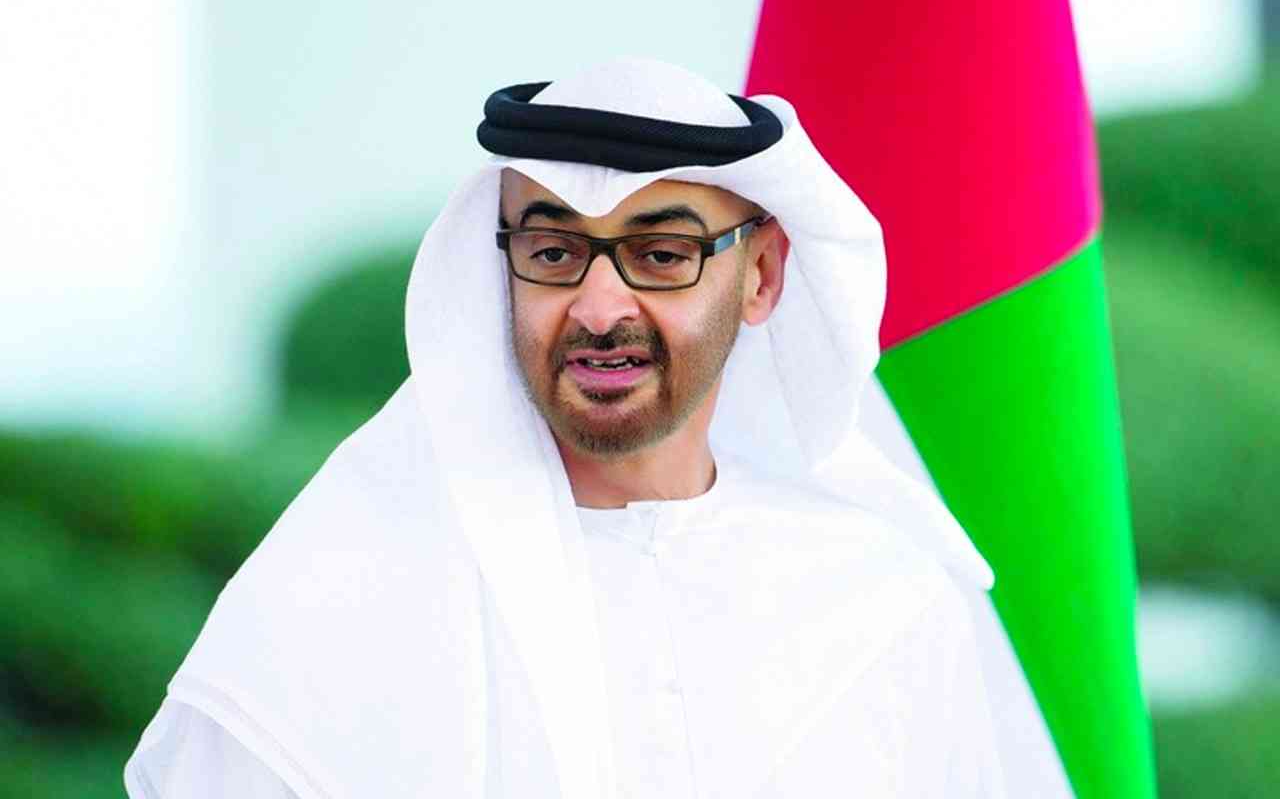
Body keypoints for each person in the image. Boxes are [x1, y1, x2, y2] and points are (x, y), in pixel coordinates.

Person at [124, 58, 1006, 798]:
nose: (599, 307)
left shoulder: (885, 600)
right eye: (553, 253)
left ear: (762, 276)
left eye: (661, 255)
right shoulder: (337, 596)